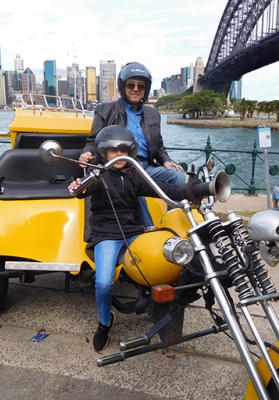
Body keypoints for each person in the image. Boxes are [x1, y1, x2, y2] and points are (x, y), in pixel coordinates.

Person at [70, 125, 210, 352]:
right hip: (107, 235)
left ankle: (159, 305)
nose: (118, 155)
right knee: (104, 283)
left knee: (163, 258)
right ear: (104, 152)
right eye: (113, 150)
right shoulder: (98, 175)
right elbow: (84, 189)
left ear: (131, 152)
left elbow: (164, 189)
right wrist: (79, 185)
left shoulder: (134, 175)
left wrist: (198, 189)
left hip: (133, 232)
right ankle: (105, 322)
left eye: (123, 150)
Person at [79, 62, 185, 227]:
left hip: (146, 166)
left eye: (140, 86)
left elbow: (159, 145)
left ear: (146, 89)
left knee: (177, 174)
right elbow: (94, 140)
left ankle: (175, 221)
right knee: (135, 181)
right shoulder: (106, 109)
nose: (136, 89)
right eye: (131, 85)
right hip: (121, 165)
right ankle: (149, 229)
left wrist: (166, 160)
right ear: (123, 87)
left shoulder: (153, 114)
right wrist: (86, 153)